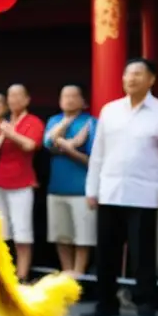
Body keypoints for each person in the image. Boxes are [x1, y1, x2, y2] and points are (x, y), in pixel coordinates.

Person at [84, 58, 158, 316]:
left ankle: (146, 304)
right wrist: (92, 188)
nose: (132, 79)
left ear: (152, 79)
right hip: (110, 190)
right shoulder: (110, 110)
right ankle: (106, 302)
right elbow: (98, 153)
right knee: (106, 251)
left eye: (138, 74)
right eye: (128, 74)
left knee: (143, 254)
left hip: (144, 193)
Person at [0, 84, 45, 281]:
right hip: (0, 182)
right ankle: (6, 272)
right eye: (10, 96)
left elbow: (31, 145)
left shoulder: (33, 121)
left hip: (22, 183)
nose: (13, 99)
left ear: (27, 99)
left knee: (22, 230)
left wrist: (10, 133)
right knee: (4, 232)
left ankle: (22, 274)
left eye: (17, 95)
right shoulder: (3, 122)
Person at [44, 84, 96, 277]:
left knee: (83, 236)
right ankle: (67, 273)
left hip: (82, 189)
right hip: (57, 187)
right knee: (61, 234)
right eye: (65, 96)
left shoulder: (91, 122)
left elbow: (92, 158)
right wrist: (69, 138)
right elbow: (49, 144)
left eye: (74, 96)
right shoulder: (54, 120)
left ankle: (79, 274)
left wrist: (65, 147)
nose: (69, 99)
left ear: (83, 101)